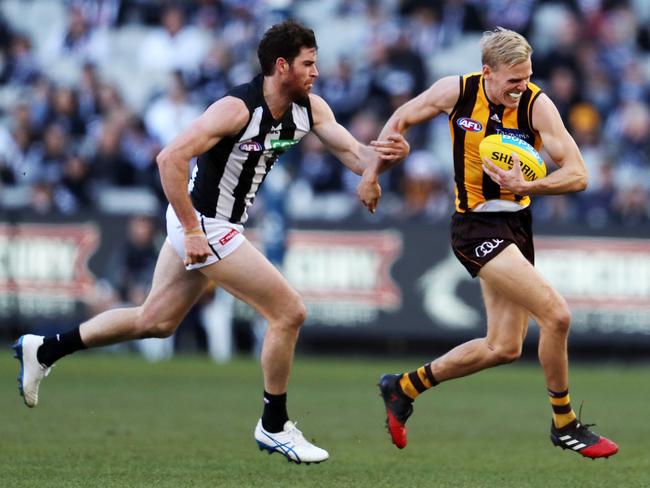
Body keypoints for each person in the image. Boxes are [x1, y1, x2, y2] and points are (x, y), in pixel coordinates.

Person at [12, 20, 408, 465]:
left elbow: (358, 158)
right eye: (308, 64)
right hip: (204, 223)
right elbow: (169, 158)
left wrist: (385, 162)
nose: (317, 72)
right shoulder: (237, 108)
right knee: (289, 311)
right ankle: (274, 425)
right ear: (282, 66)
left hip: (214, 225)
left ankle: (44, 348)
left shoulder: (309, 109)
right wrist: (194, 228)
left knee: (155, 321)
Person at [358, 27, 618, 459]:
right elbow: (402, 116)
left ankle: (402, 387)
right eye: (514, 79)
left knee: (504, 347)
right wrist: (372, 174)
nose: (522, 86)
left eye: (527, 76)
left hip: (517, 225)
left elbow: (579, 173)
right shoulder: (456, 92)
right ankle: (564, 423)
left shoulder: (537, 104)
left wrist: (528, 186)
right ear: (487, 73)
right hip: (474, 228)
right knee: (556, 315)